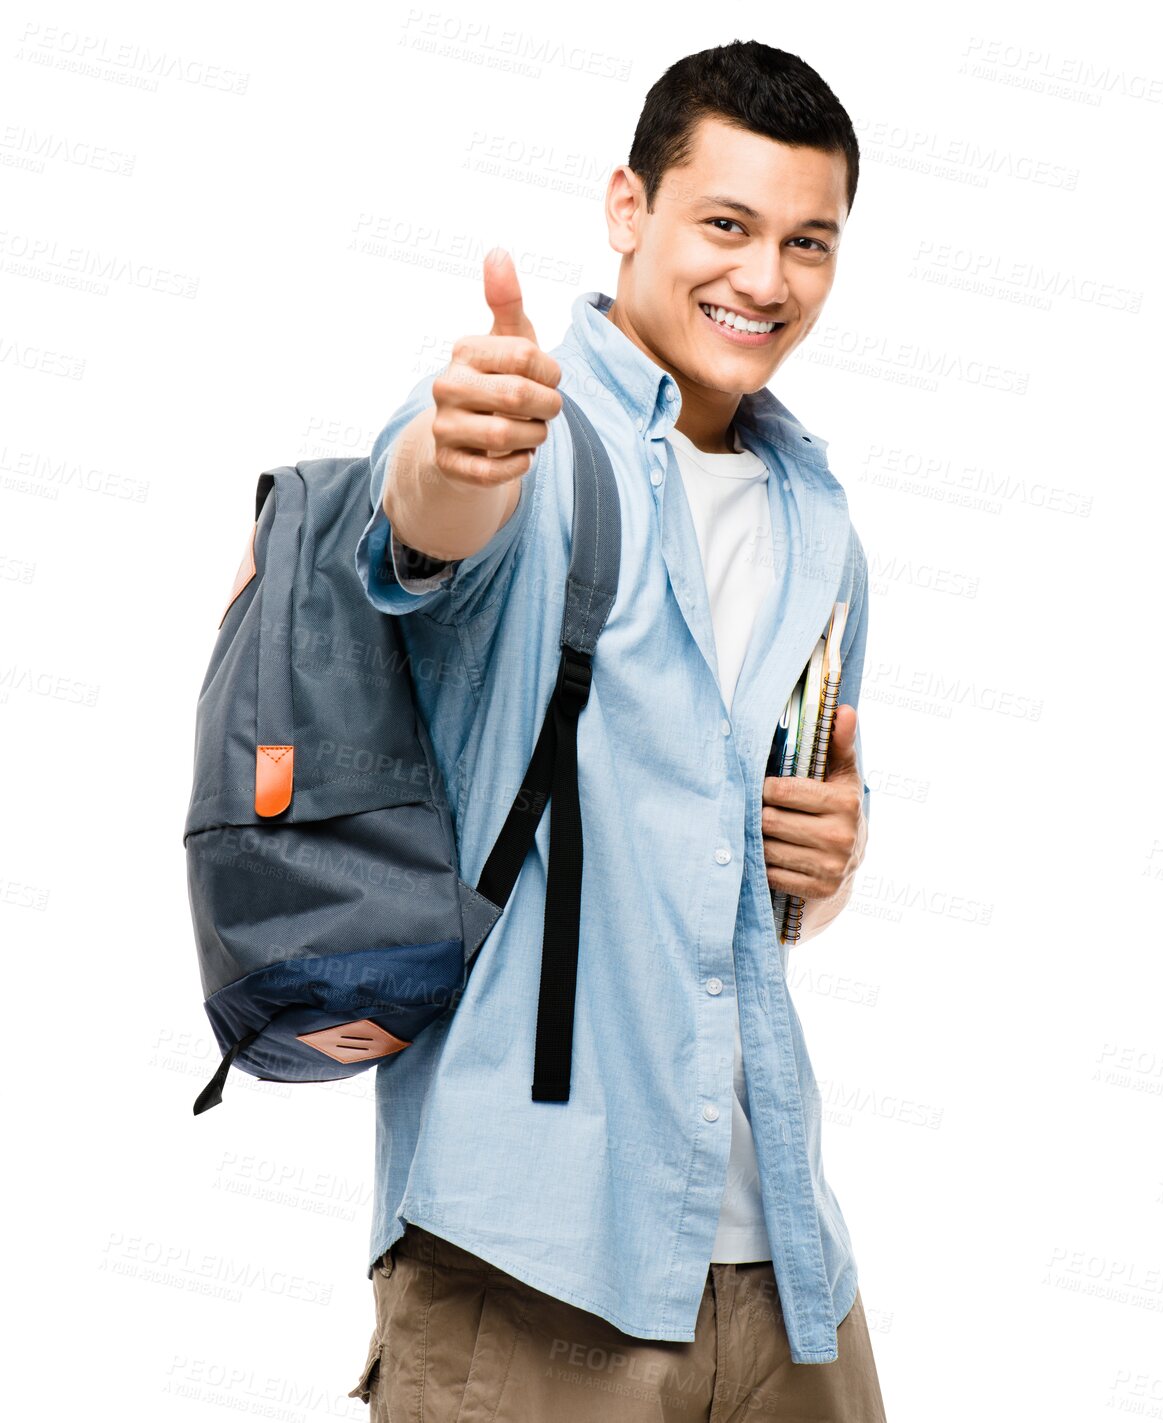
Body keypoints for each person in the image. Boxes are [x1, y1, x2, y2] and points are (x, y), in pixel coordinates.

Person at [345, 38, 885, 1421]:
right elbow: (419, 528)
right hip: (532, 1260)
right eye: (724, 224)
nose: (762, 280)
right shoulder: (520, 422)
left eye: (805, 241)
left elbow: (758, 909)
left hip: (787, 1272)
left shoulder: (814, 518)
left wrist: (825, 863)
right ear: (626, 210)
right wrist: (445, 457)